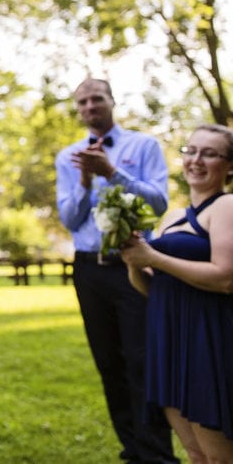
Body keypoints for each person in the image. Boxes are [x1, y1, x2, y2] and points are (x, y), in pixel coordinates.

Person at [55, 77, 177, 463]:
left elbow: (157, 203)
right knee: (108, 362)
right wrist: (86, 181)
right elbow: (70, 220)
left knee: (142, 360)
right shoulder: (68, 157)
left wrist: (112, 172)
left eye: (97, 99)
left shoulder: (144, 146)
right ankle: (132, 448)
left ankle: (156, 453)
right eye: (82, 102)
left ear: (112, 100)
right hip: (89, 270)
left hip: (133, 265)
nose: (90, 107)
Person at [120, 124, 233, 464]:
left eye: (209, 153)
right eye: (191, 151)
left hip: (207, 338)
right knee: (195, 454)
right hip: (169, 338)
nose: (196, 160)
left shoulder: (227, 206)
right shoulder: (172, 217)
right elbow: (151, 287)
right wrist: (134, 261)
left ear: (229, 165)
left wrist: (153, 257)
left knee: (219, 457)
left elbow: (226, 278)